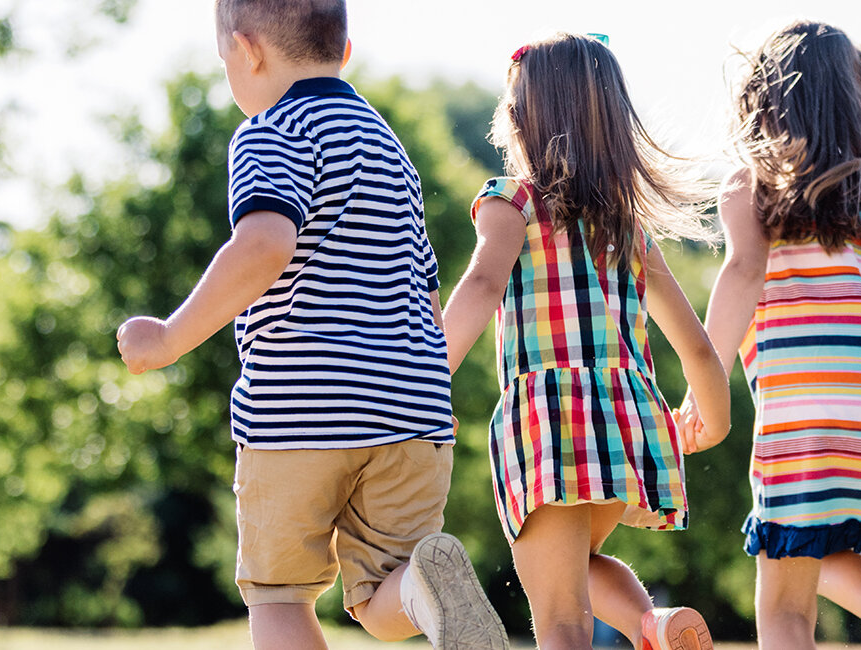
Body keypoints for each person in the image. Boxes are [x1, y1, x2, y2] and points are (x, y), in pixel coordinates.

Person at [115, 1, 503, 648]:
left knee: (278, 594)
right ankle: (421, 588)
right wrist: (428, 389)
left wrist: (170, 337)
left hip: (299, 411)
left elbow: (266, 245)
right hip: (411, 413)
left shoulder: (271, 130)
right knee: (382, 597)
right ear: (344, 51)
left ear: (248, 51)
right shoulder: (388, 148)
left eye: (224, 64)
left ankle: (415, 588)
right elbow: (422, 285)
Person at [683, 19, 861, 650]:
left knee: (785, 606)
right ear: (855, 106)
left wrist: (702, 381)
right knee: (821, 542)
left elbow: (742, 272)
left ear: (765, 100)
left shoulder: (755, 184)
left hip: (807, 407)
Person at [439, 32, 731, 650]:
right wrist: (715, 418)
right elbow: (698, 346)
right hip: (626, 423)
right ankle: (650, 622)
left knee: (561, 619)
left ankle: (649, 622)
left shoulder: (510, 201)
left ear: (520, 120)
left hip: (547, 420)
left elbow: (485, 282)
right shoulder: (627, 226)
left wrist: (423, 374)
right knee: (578, 569)